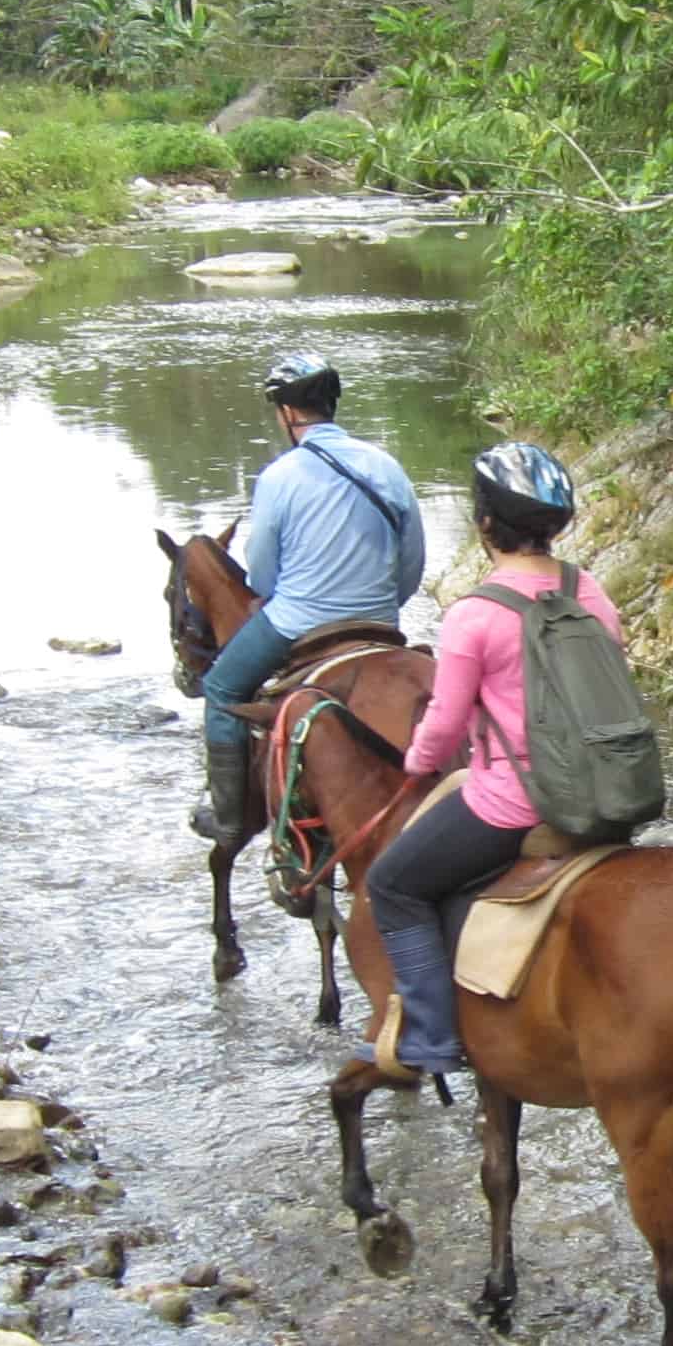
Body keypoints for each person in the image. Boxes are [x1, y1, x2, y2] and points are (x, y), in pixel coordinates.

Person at [363, 443, 615, 1074]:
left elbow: (445, 727)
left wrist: (418, 763)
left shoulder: (474, 614)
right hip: (609, 790)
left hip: (513, 804)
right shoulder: (590, 590)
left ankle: (431, 1039)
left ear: (483, 525)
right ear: (556, 525)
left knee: (391, 885)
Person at [190, 352, 425, 846]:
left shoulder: (279, 476)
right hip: (381, 620)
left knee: (221, 689)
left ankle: (230, 819)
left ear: (287, 413)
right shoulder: (386, 465)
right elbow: (412, 563)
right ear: (331, 404)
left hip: (299, 620)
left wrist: (279, 598)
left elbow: (263, 573)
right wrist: (382, 604)